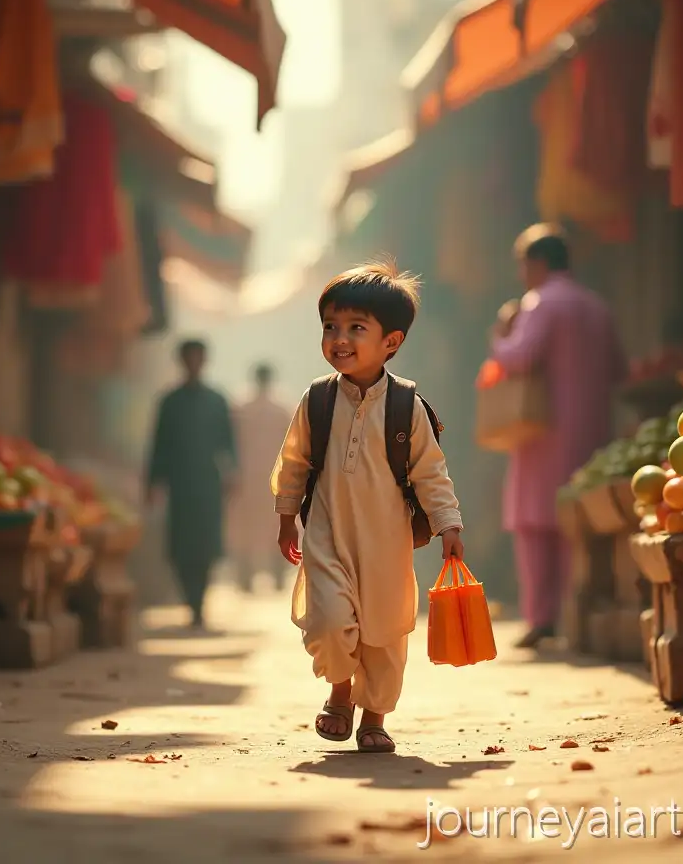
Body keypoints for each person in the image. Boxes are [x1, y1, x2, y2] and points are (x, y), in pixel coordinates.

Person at [271, 260, 464, 753]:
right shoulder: (316, 400)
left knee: (385, 634)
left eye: (357, 328)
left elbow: (430, 471)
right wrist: (286, 518)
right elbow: (292, 462)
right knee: (330, 620)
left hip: (387, 545)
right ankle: (340, 691)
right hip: (327, 535)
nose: (340, 338)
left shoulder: (407, 406)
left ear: (391, 342)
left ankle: (374, 717)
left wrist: (448, 525)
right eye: (330, 326)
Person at [489, 224, 627, 650]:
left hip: (542, 432)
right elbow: (619, 368)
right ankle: (576, 615)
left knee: (533, 523)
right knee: (578, 523)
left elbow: (519, 356)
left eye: (523, 264)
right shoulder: (596, 306)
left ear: (537, 263)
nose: (521, 274)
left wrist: (499, 334)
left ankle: (541, 617)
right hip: (592, 430)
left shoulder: (539, 302)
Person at [145, 338, 237, 630]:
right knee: (181, 545)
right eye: (189, 358)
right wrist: (152, 482)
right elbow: (158, 445)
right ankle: (190, 600)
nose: (194, 363)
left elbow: (229, 443)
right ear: (182, 361)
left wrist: (232, 473)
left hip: (208, 482)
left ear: (204, 361)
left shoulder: (217, 400)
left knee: (206, 544)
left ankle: (199, 602)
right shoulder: (169, 402)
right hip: (179, 481)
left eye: (198, 357)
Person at [226, 363, 292, 593]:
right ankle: (275, 577)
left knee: (248, 528)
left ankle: (247, 579)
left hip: (249, 478)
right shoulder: (281, 409)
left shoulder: (241, 407)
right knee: (275, 525)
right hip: (273, 477)